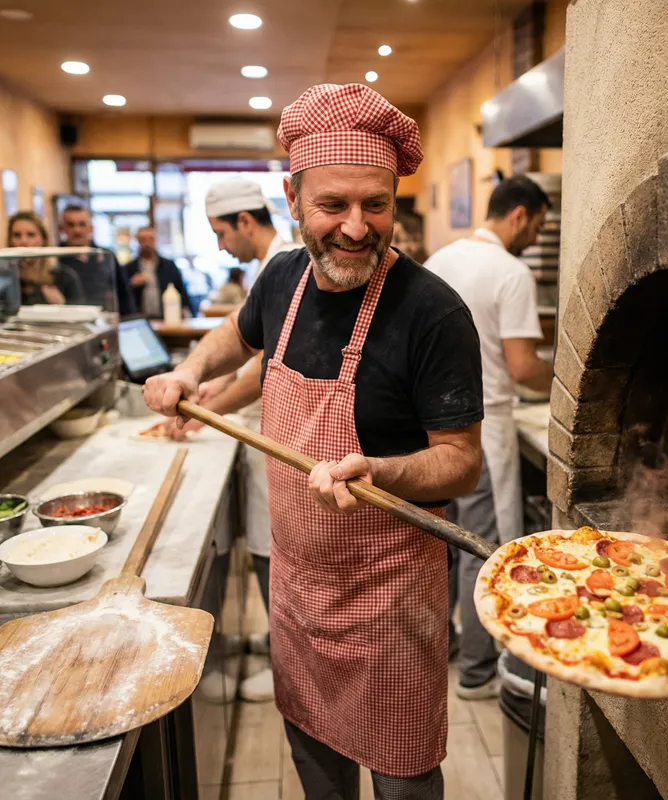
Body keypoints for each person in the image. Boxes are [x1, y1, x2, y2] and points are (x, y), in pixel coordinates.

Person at [145, 83, 483, 799]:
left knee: (402, 778)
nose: (357, 229)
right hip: (300, 592)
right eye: (333, 205)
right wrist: (189, 370)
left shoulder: (433, 313)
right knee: (316, 766)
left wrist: (382, 473)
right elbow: (235, 339)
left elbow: (461, 462)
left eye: (377, 205)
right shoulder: (282, 279)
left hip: (391, 601)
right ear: (293, 202)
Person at [167, 176, 298, 703]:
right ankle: (273, 642)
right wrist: (203, 382)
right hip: (265, 431)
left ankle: (285, 665)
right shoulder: (267, 270)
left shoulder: (285, 267)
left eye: (221, 233)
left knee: (274, 549)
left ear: (247, 222)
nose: (221, 245)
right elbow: (242, 346)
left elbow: (264, 370)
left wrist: (203, 409)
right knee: (267, 545)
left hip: (283, 437)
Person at [425, 175, 554, 699]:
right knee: (484, 547)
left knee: (444, 545)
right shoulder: (511, 271)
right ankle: (478, 672)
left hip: (429, 427)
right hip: (484, 425)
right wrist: (573, 382)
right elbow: (523, 366)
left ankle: (447, 646)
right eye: (539, 227)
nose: (536, 239)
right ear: (519, 215)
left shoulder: (440, 259)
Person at [59, 205, 136, 315]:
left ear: (91, 227)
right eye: (71, 225)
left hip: (103, 323)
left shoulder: (107, 256)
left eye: (82, 224)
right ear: (62, 228)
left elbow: (124, 294)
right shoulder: (54, 259)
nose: (77, 230)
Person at [7, 211, 83, 305]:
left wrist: (62, 305)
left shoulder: (66, 278)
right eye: (17, 235)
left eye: (31, 235)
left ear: (44, 240)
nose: (23, 241)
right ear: (10, 241)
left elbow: (80, 313)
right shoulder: (5, 279)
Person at [126, 227, 192, 318]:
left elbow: (182, 291)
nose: (147, 243)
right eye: (143, 240)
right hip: (141, 319)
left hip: (166, 318)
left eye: (150, 239)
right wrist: (131, 284)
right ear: (138, 241)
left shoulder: (168, 266)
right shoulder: (129, 268)